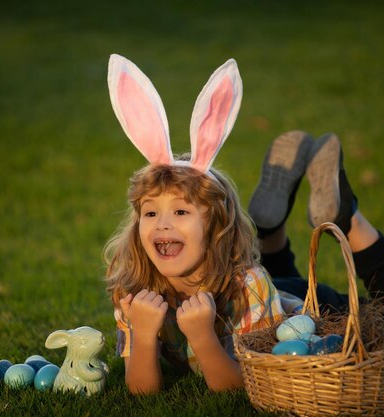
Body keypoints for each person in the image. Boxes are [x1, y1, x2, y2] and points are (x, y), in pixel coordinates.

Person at [104, 54, 289, 394]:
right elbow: (142, 391)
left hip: (283, 302)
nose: (162, 224)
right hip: (250, 277)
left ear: (216, 223)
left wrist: (203, 338)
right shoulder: (133, 287)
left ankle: (338, 222)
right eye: (150, 213)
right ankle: (273, 228)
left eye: (181, 212)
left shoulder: (249, 286)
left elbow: (248, 387)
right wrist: (143, 336)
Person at [248, 130, 384, 347]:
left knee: (276, 295)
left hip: (264, 300)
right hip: (272, 296)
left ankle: (274, 226)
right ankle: (338, 220)